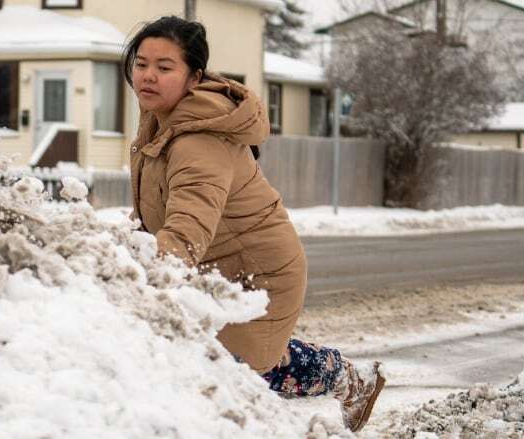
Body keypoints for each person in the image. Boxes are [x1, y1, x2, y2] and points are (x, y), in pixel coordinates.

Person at [123, 16, 385, 432]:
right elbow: (161, 209)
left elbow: (188, 225)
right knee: (200, 352)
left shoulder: (198, 141)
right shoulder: (160, 120)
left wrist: (138, 267)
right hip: (214, 267)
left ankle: (348, 380)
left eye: (164, 67)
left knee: (236, 368)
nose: (148, 76)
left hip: (258, 273)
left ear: (194, 78)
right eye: (141, 63)